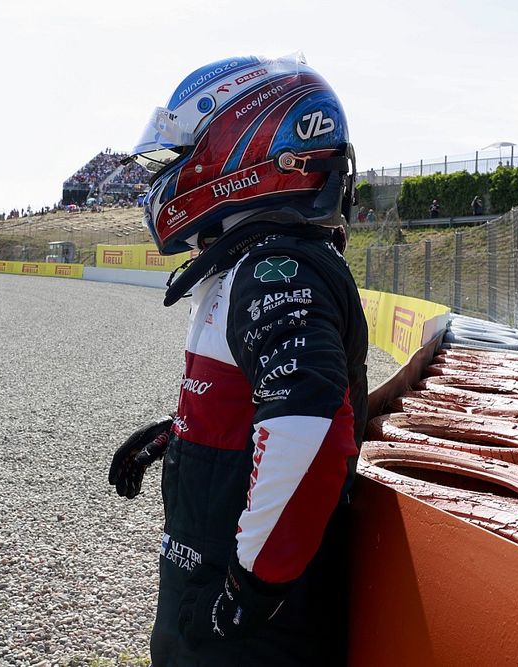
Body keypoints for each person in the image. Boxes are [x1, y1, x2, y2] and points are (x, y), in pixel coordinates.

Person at [108, 53, 368, 666]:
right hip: (215, 587)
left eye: (176, 158)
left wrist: (251, 590)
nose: (164, 178)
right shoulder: (259, 259)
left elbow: (310, 432)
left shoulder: (275, 267)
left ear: (238, 150)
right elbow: (274, 405)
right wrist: (183, 434)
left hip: (253, 629)